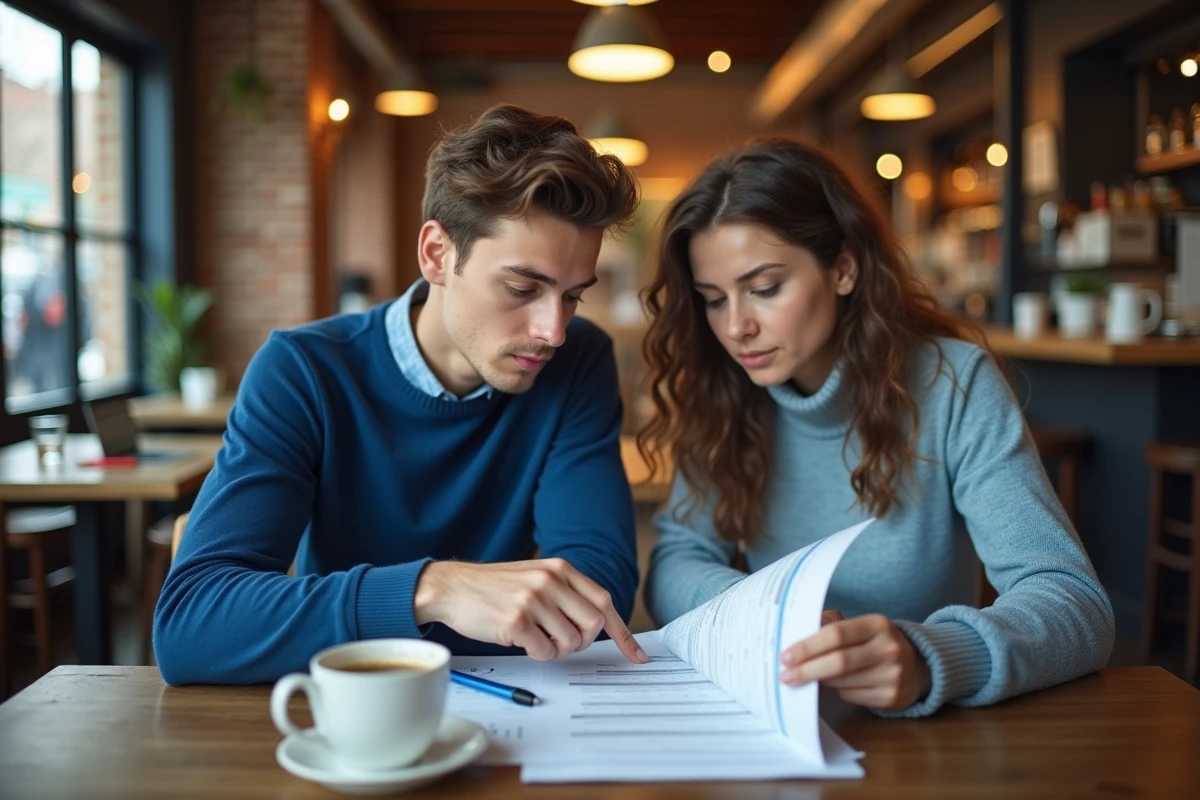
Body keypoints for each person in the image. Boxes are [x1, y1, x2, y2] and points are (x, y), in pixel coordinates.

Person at [155, 105, 649, 684]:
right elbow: (192, 625)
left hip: (517, 705)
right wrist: (434, 589)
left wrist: (330, 618)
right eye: (523, 287)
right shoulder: (304, 371)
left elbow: (597, 588)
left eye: (573, 296)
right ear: (437, 254)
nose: (553, 330)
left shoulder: (578, 359)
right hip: (357, 709)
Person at [639, 138, 1114, 717]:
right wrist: (759, 611)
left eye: (765, 290)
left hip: (921, 735)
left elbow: (1075, 604)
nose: (736, 326)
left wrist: (930, 655)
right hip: (781, 718)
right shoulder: (723, 390)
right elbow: (675, 562)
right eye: (713, 299)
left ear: (842, 268)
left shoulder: (951, 383)